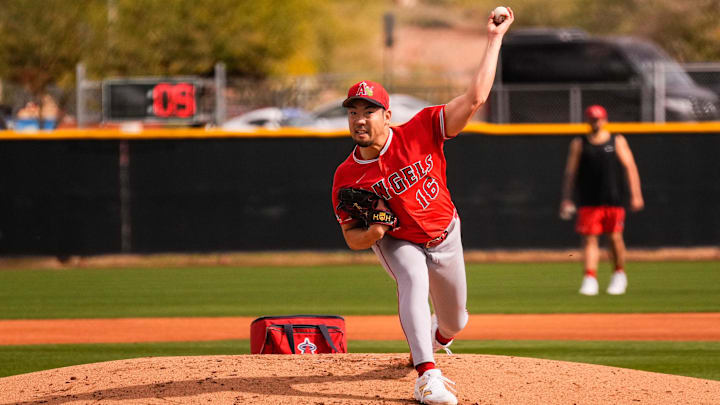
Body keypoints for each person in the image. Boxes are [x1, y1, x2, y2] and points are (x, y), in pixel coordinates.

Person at [331, 8, 514, 405]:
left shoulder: (423, 128)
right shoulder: (347, 176)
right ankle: (426, 375)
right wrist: (376, 232)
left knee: (456, 321)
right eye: (353, 112)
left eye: (368, 111)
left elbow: (476, 98)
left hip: (446, 232)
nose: (359, 120)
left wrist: (494, 39)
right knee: (412, 279)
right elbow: (352, 238)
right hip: (399, 240)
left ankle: (435, 337)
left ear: (387, 116)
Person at [559, 105, 644, 296]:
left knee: (614, 237)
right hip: (589, 200)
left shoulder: (617, 140)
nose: (595, 122)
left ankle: (619, 274)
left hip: (613, 199)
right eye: (592, 118)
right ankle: (590, 278)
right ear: (587, 120)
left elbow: (630, 167)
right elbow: (570, 173)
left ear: (605, 120)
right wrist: (566, 198)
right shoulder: (580, 143)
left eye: (598, 118)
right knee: (589, 240)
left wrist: (636, 194)